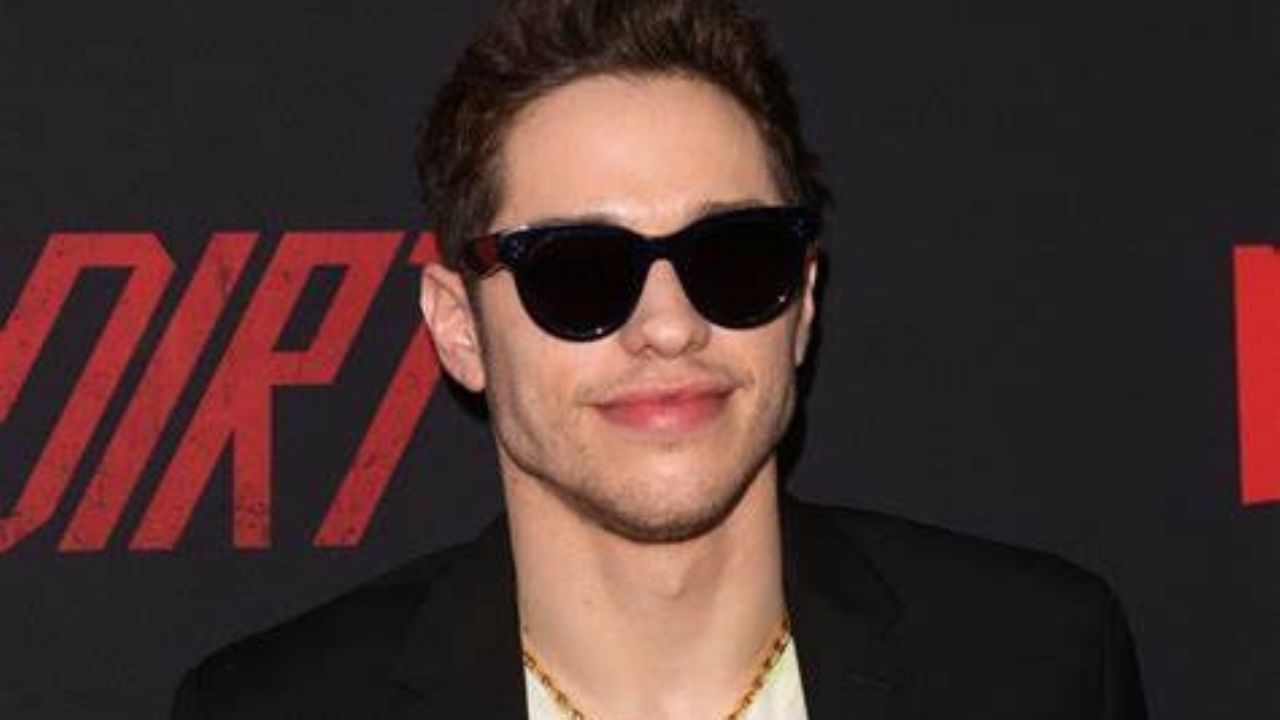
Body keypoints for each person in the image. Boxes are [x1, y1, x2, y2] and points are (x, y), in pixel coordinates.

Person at [171, 0, 1148, 718]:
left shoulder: (1035, 668)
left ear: (802, 303)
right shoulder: (279, 709)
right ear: (458, 328)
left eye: (734, 259)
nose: (670, 325)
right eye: (579, 272)